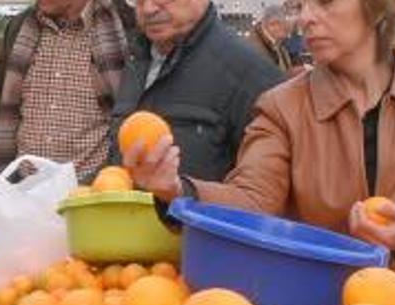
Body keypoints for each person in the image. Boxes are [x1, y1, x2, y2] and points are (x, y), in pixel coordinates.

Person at [125, 0, 395, 279]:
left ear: (376, 10)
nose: (306, 18)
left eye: (325, 2)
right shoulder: (281, 107)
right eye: (301, 5)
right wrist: (177, 190)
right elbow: (253, 198)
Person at [110, 0, 283, 182]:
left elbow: (262, 192)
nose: (147, 9)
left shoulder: (249, 74)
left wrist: (182, 196)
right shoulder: (136, 59)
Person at [0, 0, 136, 181]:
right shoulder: (20, 28)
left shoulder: (123, 25)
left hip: (91, 195)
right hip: (22, 190)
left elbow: (133, 119)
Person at [247, 5, 293, 73]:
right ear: (274, 24)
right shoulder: (256, 49)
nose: (289, 28)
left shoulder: (277, 43)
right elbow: (268, 78)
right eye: (286, 23)